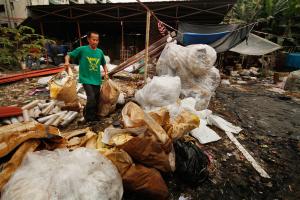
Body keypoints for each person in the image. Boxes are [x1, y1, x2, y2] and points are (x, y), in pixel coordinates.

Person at [64, 31, 108, 122]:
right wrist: (67, 62)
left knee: (96, 99)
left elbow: (104, 63)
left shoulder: (100, 52)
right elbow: (68, 55)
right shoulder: (82, 49)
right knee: (91, 98)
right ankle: (89, 118)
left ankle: (91, 114)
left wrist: (106, 72)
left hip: (96, 79)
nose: (95, 42)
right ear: (88, 39)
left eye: (97, 40)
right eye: (93, 39)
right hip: (86, 78)